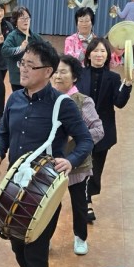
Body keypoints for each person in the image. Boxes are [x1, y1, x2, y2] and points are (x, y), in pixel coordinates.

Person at [0, 41, 93, 267]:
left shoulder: (62, 104)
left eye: (30, 65)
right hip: (15, 183)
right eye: (22, 63)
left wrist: (71, 160)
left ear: (47, 71)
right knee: (15, 242)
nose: (22, 69)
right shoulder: (14, 99)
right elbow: (4, 131)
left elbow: (85, 139)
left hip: (44, 189)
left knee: (35, 247)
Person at [50, 55, 104, 255]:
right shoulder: (47, 98)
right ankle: (45, 238)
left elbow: (98, 130)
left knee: (79, 203)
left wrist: (77, 138)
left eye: (63, 72)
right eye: (55, 71)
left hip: (77, 164)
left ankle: (80, 238)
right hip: (51, 163)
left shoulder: (82, 101)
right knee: (49, 205)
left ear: (74, 77)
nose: (58, 76)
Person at [78, 37, 132, 222]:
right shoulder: (80, 74)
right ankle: (84, 200)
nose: (99, 54)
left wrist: (128, 85)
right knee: (82, 165)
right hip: (82, 128)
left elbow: (119, 103)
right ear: (88, 55)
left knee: (96, 167)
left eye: (102, 51)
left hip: (103, 131)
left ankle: (88, 199)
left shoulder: (114, 78)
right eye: (95, 51)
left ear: (107, 56)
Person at [2, 6, 43, 92]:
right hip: (18, 79)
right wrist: (20, 48)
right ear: (16, 21)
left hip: (33, 78)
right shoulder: (12, 36)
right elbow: (5, 51)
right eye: (22, 18)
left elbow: (46, 49)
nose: (26, 20)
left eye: (27, 18)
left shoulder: (35, 37)